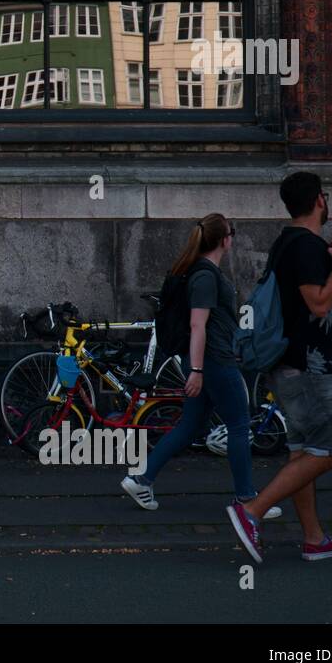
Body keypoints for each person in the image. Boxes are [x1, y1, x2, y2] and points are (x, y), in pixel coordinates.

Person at [121, 213, 281, 520]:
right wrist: (196, 371)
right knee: (238, 425)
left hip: (208, 361)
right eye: (232, 232)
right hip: (213, 363)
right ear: (225, 239)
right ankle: (247, 500)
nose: (232, 237)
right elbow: (198, 325)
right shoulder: (206, 276)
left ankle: (141, 479)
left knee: (189, 425)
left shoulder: (201, 271)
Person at [228, 172, 332, 563]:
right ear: (319, 200)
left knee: (302, 454)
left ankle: (314, 539)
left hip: (287, 365)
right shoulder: (307, 247)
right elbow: (318, 304)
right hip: (309, 367)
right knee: (328, 452)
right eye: (325, 196)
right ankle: (251, 513)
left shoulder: (285, 243)